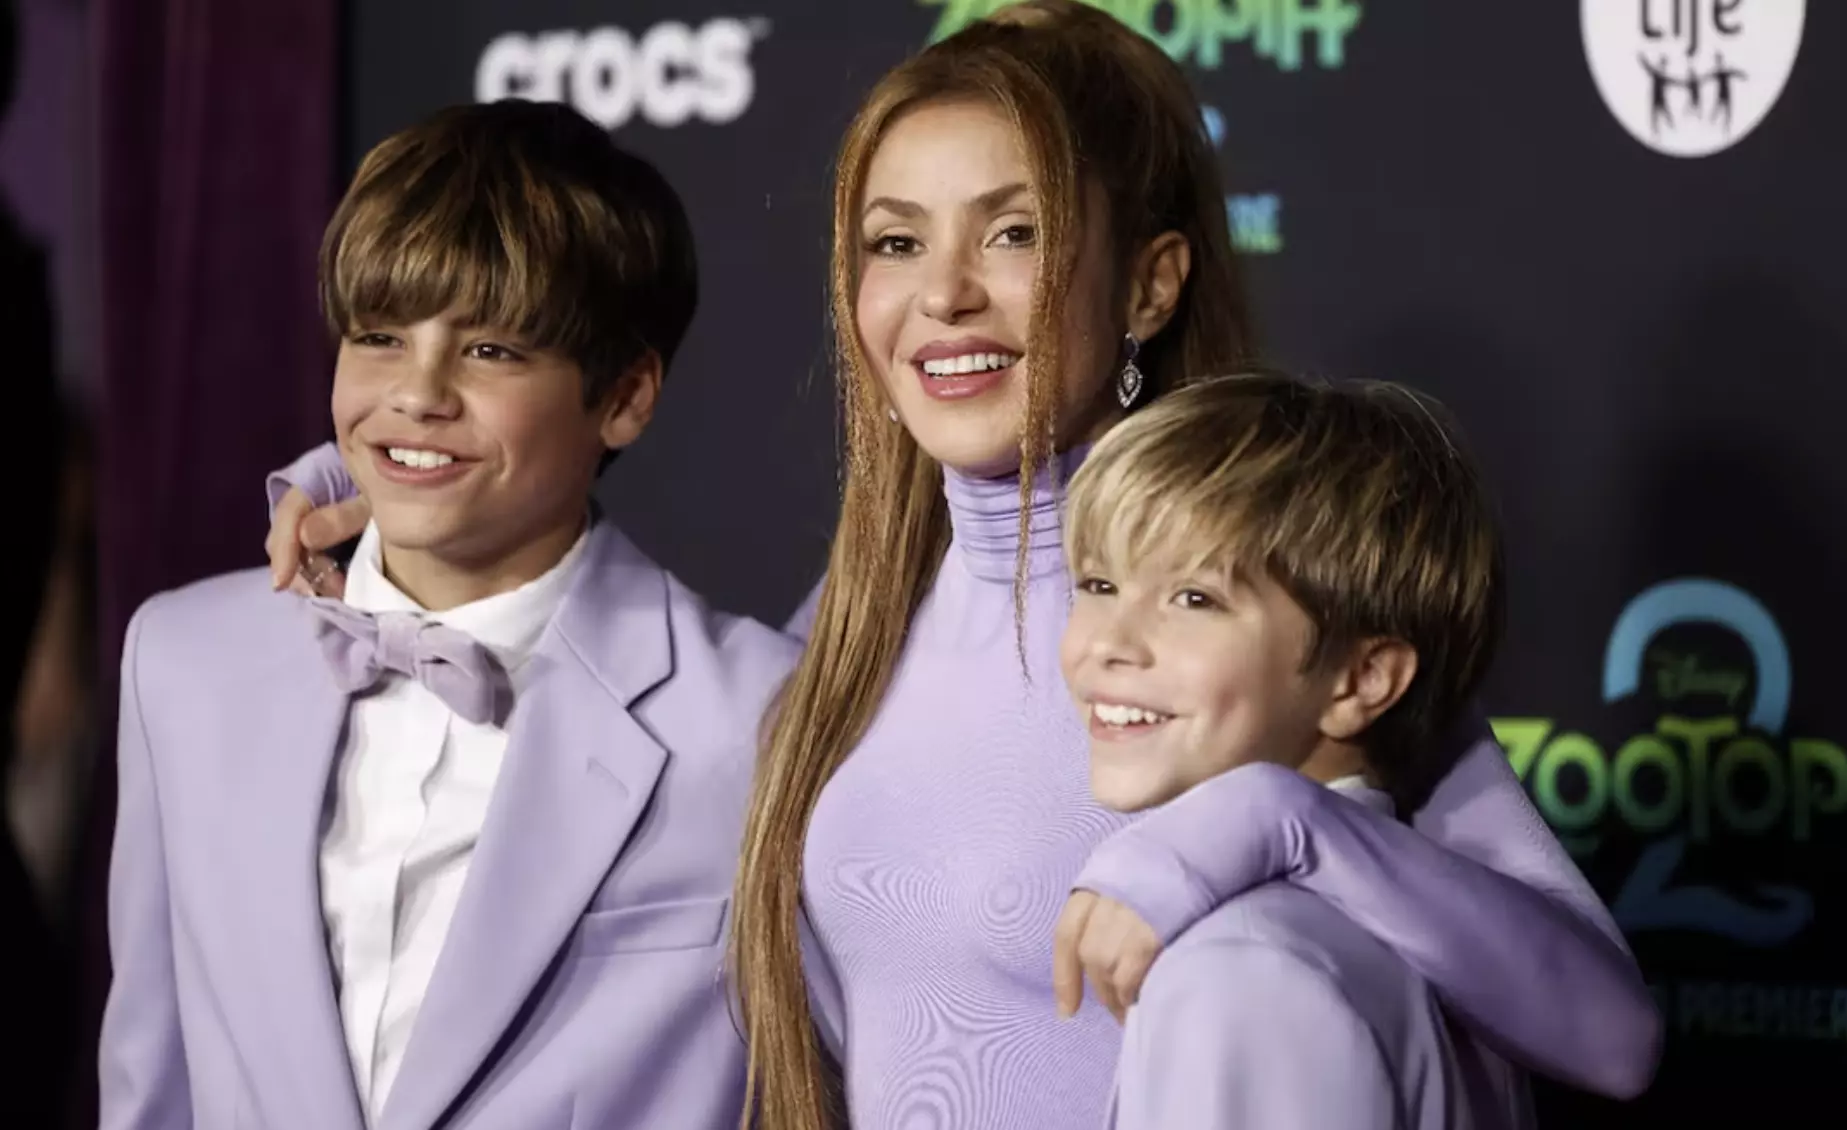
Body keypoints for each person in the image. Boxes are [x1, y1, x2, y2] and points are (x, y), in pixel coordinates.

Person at [262, 4, 1660, 1128]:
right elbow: (620, 678)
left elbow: (1607, 1032)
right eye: (893, 241)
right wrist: (403, 504)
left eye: (1013, 232)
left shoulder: (1262, 617)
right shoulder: (856, 621)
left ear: (1150, 284)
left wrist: (1284, 825)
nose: (942, 295)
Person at [98, 100, 797, 1130]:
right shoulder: (183, 661)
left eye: (493, 351)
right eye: (379, 336)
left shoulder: (756, 718)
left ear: (627, 395)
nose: (417, 392)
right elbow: (150, 1082)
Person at [1061, 371, 1528, 1128]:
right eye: (1099, 583)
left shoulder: (1242, 973)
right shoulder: (1426, 934)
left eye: (1194, 599)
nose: (1109, 645)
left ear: (1362, 679)